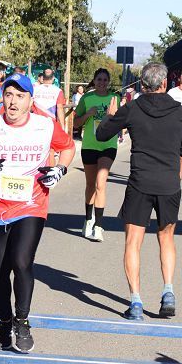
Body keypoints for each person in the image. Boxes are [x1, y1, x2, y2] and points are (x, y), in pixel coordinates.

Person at [0, 73, 75, 353]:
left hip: (32, 204)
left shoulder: (44, 125)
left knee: (22, 262)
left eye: (20, 96)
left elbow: (68, 147)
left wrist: (59, 169)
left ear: (30, 101)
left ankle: (22, 321)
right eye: (8, 95)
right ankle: (4, 322)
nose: (12, 102)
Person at [95, 62, 182, 320]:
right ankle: (168, 292)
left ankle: (136, 302)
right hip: (169, 184)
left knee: (133, 242)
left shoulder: (133, 108)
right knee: (166, 238)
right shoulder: (179, 111)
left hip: (140, 182)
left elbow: (103, 133)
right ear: (164, 84)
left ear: (141, 84)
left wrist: (110, 114)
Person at [74, 68, 121, 241]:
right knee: (90, 185)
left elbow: (120, 124)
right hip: (89, 145)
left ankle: (98, 226)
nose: (102, 82)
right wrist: (88, 114)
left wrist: (113, 117)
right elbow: (76, 123)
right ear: (94, 81)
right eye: (99, 79)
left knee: (101, 183)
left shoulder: (115, 98)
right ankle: (88, 219)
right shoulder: (87, 98)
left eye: (105, 80)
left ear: (109, 81)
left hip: (108, 145)